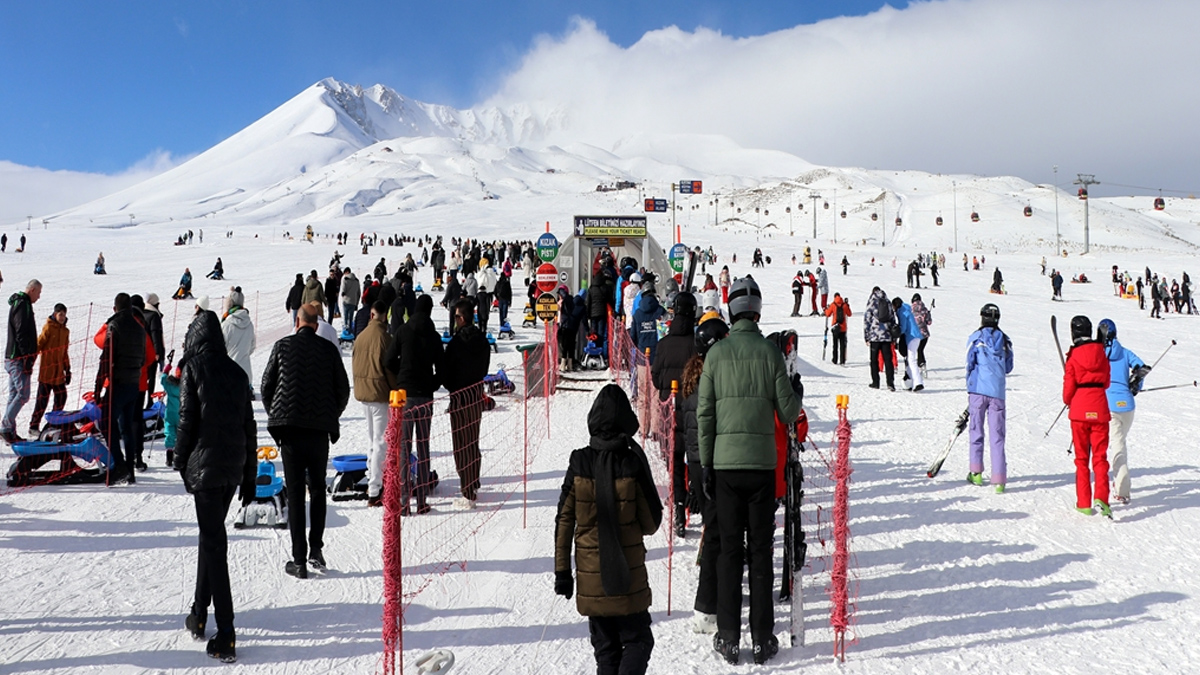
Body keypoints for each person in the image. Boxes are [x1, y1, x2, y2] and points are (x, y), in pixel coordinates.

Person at [698, 277, 802, 665]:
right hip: (761, 467)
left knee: (728, 553)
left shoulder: (716, 355)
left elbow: (705, 414)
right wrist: (796, 390)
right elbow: (789, 412)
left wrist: (707, 464)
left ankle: (728, 637)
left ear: (731, 310)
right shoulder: (770, 353)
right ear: (757, 311)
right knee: (760, 552)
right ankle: (762, 638)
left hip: (724, 466)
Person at [554, 384, 662, 675]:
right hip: (628, 578)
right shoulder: (630, 462)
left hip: (592, 580)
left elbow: (564, 519)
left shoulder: (578, 462)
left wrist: (562, 572)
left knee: (606, 653)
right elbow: (652, 524)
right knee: (639, 641)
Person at [173, 309, 257, 663]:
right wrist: (249, 476)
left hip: (205, 470)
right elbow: (249, 428)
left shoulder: (193, 369)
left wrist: (179, 460)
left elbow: (186, 421)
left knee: (214, 543)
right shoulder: (237, 373)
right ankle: (199, 612)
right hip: (230, 470)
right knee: (211, 537)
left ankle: (226, 631)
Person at [260, 304, 350, 578]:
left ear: (298, 321)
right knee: (318, 489)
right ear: (317, 323)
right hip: (318, 432)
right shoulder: (328, 349)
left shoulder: (281, 347)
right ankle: (316, 550)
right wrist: (330, 415)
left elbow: (266, 386)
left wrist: (276, 413)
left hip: (289, 431)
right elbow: (343, 390)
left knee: (296, 493)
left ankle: (298, 559)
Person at [685, 317, 729, 633]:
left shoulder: (691, 375)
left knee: (712, 529)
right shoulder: (712, 379)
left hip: (694, 461)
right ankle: (707, 605)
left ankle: (711, 599)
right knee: (716, 533)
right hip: (710, 461)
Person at [385, 294, 443, 515]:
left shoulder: (402, 332)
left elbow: (388, 361)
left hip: (405, 397)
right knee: (424, 446)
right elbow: (442, 369)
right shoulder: (434, 336)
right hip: (425, 398)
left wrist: (399, 381)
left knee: (404, 446)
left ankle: (403, 500)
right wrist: (432, 385)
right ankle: (422, 500)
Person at [651, 292, 697, 537]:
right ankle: (697, 500)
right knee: (698, 462)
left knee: (676, 463)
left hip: (671, 414)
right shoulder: (697, 344)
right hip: (695, 413)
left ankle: (679, 508)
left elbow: (656, 378)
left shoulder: (664, 344)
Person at [443, 299, 491, 509]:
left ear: (461, 318)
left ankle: (467, 488)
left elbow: (446, 370)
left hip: (459, 396)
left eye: (455, 317)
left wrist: (452, 386)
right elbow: (485, 368)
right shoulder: (482, 340)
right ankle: (474, 480)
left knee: (460, 443)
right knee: (473, 440)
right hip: (476, 394)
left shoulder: (455, 343)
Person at [95, 292, 147, 483]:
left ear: (115, 308)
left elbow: (106, 360)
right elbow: (142, 358)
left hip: (118, 383)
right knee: (127, 427)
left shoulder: (114, 326)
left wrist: (98, 387)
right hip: (134, 383)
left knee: (106, 424)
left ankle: (120, 465)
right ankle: (130, 470)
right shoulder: (140, 328)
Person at [1063, 315, 1112, 517]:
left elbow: (1067, 391)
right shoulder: (1101, 353)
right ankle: (1102, 496)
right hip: (1099, 408)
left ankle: (1084, 502)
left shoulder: (1073, 355)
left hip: (1080, 410)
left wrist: (1070, 399)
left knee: (1082, 459)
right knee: (1100, 457)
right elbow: (1107, 381)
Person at [966, 304, 1014, 492]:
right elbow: (1009, 366)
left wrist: (969, 383)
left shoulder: (976, 338)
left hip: (978, 389)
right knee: (997, 435)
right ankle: (999, 480)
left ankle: (976, 472)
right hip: (998, 393)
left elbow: (970, 362)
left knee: (976, 430)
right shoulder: (1005, 340)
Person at [352, 300, 395, 507]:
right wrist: (395, 388)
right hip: (379, 394)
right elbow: (389, 369)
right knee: (380, 442)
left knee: (372, 440)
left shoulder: (360, 337)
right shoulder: (385, 338)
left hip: (364, 393)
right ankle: (376, 487)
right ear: (385, 316)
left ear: (371, 315)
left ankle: (372, 477)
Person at [1097, 319, 1145, 505]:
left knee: (1117, 447)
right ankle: (1118, 482)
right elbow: (1142, 368)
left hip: (1110, 407)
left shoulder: (1099, 353)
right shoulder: (1124, 352)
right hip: (1128, 407)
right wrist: (1135, 385)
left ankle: (1122, 488)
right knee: (1119, 442)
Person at [2, 279, 41, 443]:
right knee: (23, 394)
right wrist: (26, 356)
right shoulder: (22, 304)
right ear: (31, 290)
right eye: (38, 293)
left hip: (15, 357)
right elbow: (21, 332)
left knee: (14, 394)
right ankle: (5, 427)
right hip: (17, 357)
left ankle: (9, 430)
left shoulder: (23, 304)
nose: (38, 297)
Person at [29, 303, 70, 435]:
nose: (62, 317)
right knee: (42, 400)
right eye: (60, 314)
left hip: (58, 374)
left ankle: (52, 423)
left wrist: (67, 369)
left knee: (61, 397)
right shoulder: (48, 327)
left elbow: (64, 352)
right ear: (55, 314)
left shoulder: (65, 331)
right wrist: (30, 360)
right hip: (47, 372)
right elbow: (39, 344)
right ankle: (33, 426)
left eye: (64, 314)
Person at [220, 287, 256, 392]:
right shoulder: (249, 324)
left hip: (229, 373)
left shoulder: (227, 324)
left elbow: (221, 347)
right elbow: (252, 346)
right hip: (246, 373)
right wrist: (243, 353)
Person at [863, 287, 896, 391]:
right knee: (888, 360)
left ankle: (875, 382)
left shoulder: (871, 302)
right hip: (886, 336)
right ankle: (890, 383)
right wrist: (893, 335)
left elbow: (867, 320)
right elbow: (892, 318)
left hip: (874, 336)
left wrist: (866, 336)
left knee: (874, 360)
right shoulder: (888, 302)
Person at [894, 297, 924, 391]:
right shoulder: (906, 308)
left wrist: (896, 332)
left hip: (912, 336)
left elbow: (903, 327)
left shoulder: (902, 312)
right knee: (909, 359)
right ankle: (909, 381)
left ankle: (918, 382)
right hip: (915, 336)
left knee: (911, 359)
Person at [823, 293, 851, 365]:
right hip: (843, 328)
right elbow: (849, 314)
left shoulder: (833, 305)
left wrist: (826, 309)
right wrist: (848, 306)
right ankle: (842, 360)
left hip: (835, 327)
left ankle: (835, 359)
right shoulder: (844, 305)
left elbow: (828, 314)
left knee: (835, 344)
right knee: (842, 345)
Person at [911, 293, 932, 373]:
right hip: (925, 334)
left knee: (916, 350)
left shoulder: (911, 309)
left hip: (915, 334)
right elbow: (929, 322)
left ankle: (916, 366)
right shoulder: (924, 309)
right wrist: (928, 315)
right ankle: (922, 365)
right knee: (920, 349)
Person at [339, 267, 360, 332]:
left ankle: (346, 330)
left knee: (346, 316)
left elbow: (343, 290)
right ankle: (350, 329)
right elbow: (358, 293)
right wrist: (357, 302)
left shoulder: (345, 279)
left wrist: (342, 294)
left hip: (346, 300)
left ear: (346, 272)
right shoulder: (356, 281)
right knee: (351, 317)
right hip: (353, 301)